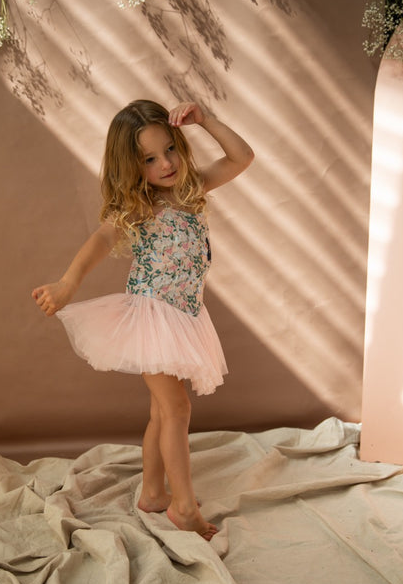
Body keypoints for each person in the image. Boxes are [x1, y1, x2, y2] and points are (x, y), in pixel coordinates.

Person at [32, 100, 254, 540]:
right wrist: (68, 283)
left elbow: (241, 157)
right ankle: (183, 507)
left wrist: (205, 120)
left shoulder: (192, 189)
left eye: (169, 149)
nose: (166, 164)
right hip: (153, 314)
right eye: (149, 159)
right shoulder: (141, 205)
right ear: (131, 166)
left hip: (184, 312)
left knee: (160, 410)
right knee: (176, 408)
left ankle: (153, 493)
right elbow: (101, 239)